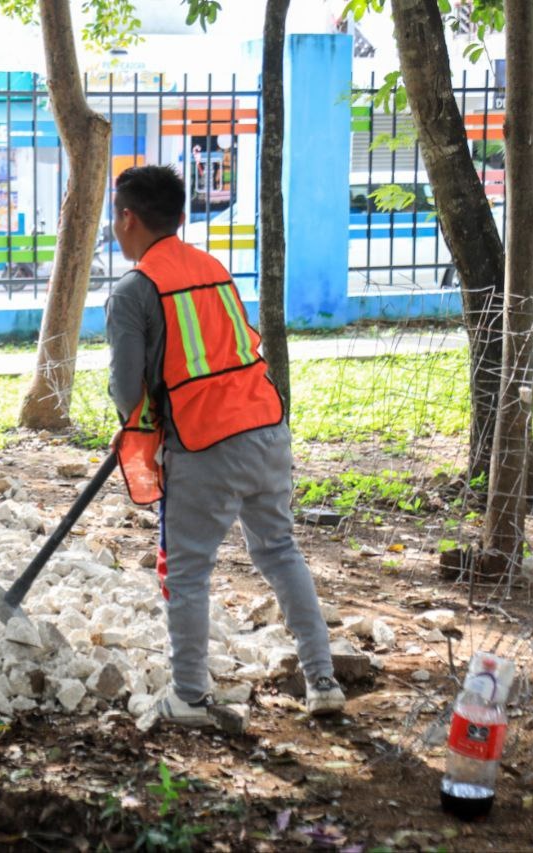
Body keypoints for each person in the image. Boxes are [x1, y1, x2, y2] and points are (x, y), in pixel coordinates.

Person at [105, 164, 345, 724]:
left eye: (115, 219)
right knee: (280, 552)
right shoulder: (212, 268)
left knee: (187, 570)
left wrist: (133, 418)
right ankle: (323, 680)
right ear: (182, 217)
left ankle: (188, 695)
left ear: (127, 218)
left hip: (205, 441)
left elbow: (125, 385)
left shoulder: (134, 290)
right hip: (266, 428)